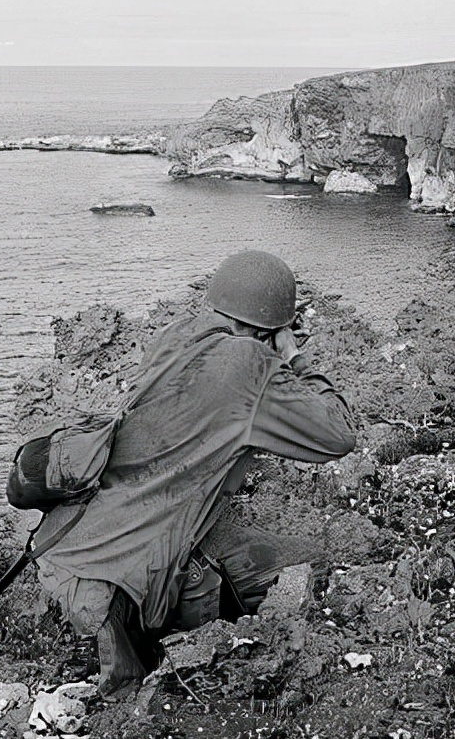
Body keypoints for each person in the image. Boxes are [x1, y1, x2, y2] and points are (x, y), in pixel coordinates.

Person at [33, 250, 357, 698]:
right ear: (271, 327)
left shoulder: (173, 336)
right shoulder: (251, 363)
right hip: (115, 593)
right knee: (308, 565)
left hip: (65, 547)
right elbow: (339, 434)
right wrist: (294, 357)